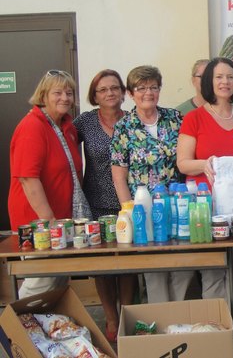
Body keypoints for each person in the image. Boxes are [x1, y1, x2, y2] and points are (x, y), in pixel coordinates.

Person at [177, 57, 233, 343]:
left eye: (230, 77)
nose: (225, 82)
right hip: (206, 209)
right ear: (208, 82)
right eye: (218, 77)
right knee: (213, 274)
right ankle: (212, 336)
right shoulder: (194, 118)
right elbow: (183, 163)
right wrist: (206, 164)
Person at [111, 65, 190, 304]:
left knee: (183, 267)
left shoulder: (175, 118)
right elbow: (119, 176)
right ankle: (160, 322)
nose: (148, 93)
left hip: (178, 207)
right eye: (141, 88)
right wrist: (128, 211)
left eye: (153, 87)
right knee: (154, 271)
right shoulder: (124, 127)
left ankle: (179, 317)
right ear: (130, 93)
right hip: (143, 209)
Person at [74, 69, 136, 342]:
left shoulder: (133, 119)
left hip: (128, 201)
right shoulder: (84, 122)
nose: (110, 93)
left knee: (128, 263)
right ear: (94, 95)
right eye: (103, 90)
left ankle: (126, 314)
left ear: (123, 92)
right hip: (96, 202)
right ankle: (110, 317)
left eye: (114, 88)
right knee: (102, 265)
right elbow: (60, 145)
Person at [9, 70, 79, 298]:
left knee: (57, 285)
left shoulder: (65, 127)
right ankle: (14, 330)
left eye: (69, 93)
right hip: (39, 222)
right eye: (57, 93)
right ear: (43, 95)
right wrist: (49, 222)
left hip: (60, 220)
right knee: (40, 281)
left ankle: (48, 330)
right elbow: (28, 179)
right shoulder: (33, 126)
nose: (65, 98)